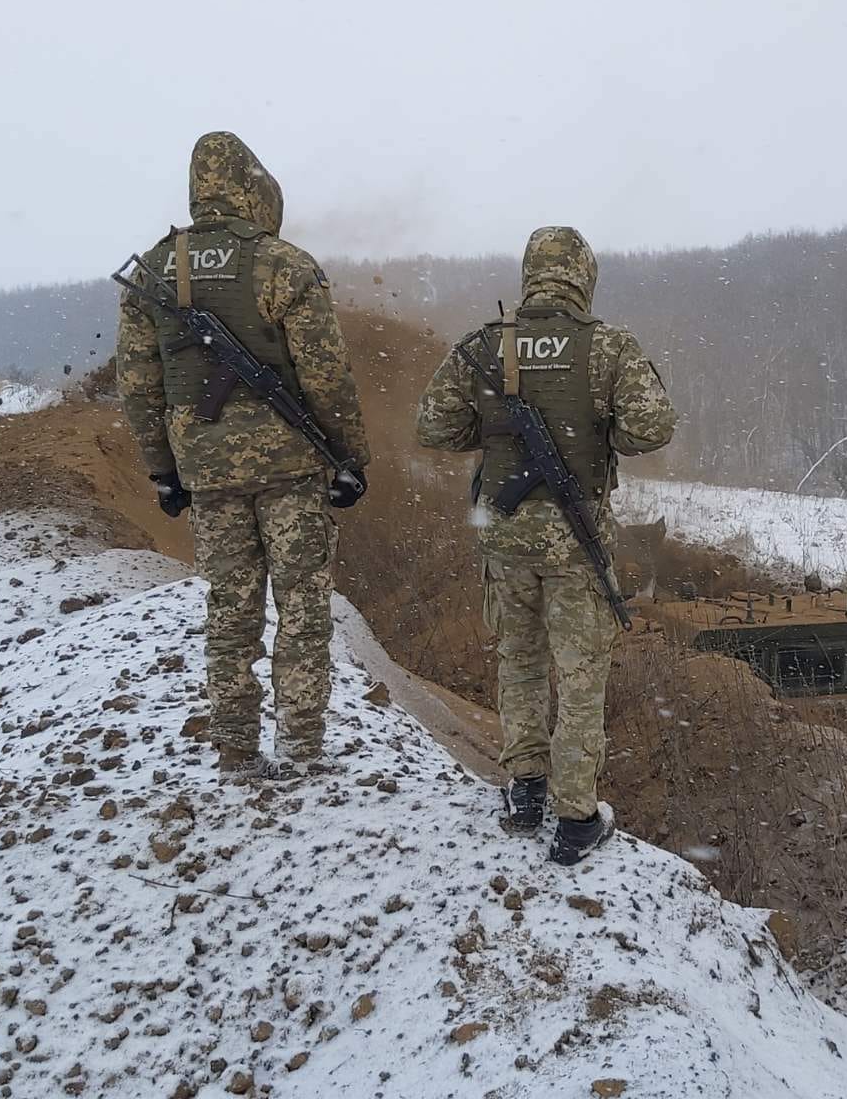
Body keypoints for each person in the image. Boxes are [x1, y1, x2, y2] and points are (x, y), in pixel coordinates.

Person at [416, 226, 676, 864]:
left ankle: (525, 789)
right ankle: (576, 816)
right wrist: (599, 421)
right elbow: (652, 428)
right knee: (581, 676)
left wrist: (494, 419)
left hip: (504, 543)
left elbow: (434, 425)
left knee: (521, 662)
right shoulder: (608, 348)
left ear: (530, 274)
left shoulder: (488, 347)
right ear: (584, 277)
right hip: (575, 549)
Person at [116, 131, 370, 778]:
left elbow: (139, 385)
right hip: (290, 472)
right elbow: (326, 376)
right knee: (303, 612)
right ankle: (302, 750)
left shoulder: (155, 272)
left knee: (231, 613)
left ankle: (235, 748)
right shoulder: (282, 264)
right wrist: (349, 456)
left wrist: (163, 472)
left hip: (207, 474)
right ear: (254, 187)